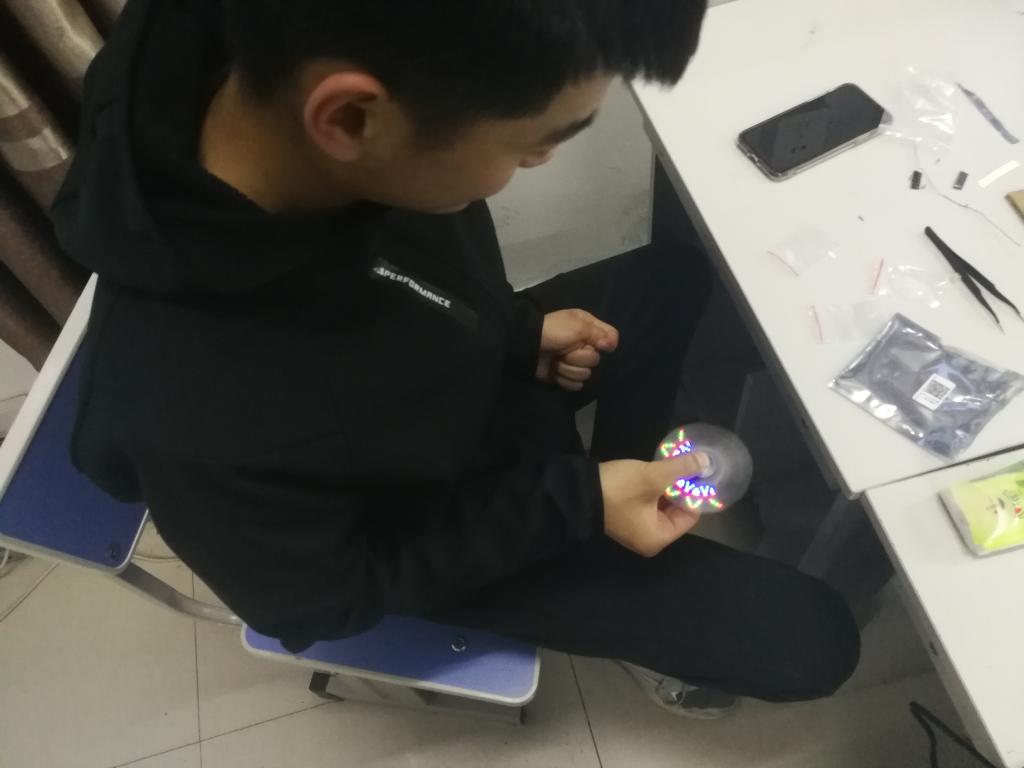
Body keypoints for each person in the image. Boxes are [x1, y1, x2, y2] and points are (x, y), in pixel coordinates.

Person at [54, 0, 859, 718]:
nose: (538, 164)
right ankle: (613, 523)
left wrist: (515, 330)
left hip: (460, 366)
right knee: (814, 641)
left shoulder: (277, 64)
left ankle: (624, 504)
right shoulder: (197, 418)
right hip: (430, 519)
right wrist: (576, 504)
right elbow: (319, 601)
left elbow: (396, 275)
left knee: (674, 276)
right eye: (533, 144)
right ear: (353, 119)